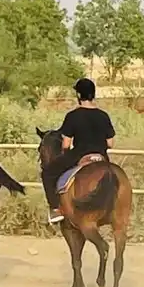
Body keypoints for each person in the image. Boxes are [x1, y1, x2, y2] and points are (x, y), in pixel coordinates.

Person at [41, 77, 115, 225]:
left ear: (79, 96)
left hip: (80, 154)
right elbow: (111, 143)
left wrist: (65, 150)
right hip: (101, 156)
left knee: (47, 173)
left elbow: (66, 144)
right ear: (92, 94)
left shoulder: (73, 116)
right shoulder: (103, 115)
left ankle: (55, 209)